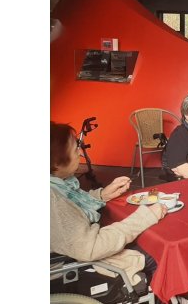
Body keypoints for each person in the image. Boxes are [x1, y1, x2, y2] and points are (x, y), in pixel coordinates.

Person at [50, 122, 165, 287]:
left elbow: (72, 208)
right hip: (78, 266)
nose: (80, 154)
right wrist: (146, 216)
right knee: (157, 253)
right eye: (75, 148)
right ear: (56, 162)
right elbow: (92, 247)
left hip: (77, 249)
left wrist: (103, 194)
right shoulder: (52, 200)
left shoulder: (58, 185)